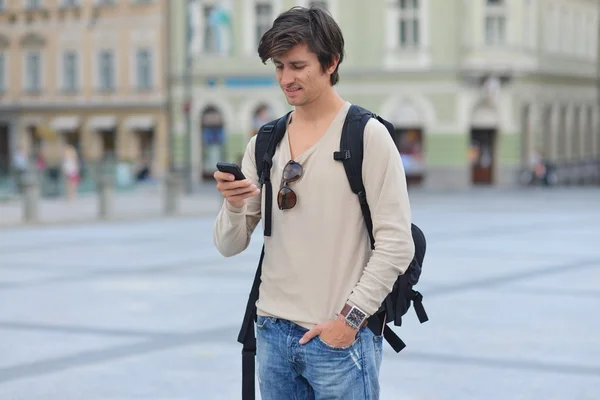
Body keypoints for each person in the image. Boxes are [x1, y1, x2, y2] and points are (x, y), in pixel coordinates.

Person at [213, 6, 414, 400]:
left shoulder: (367, 136)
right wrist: (234, 205)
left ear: (331, 62)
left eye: (298, 66)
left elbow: (396, 243)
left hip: (339, 339)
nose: (286, 79)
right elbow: (228, 245)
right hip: (272, 332)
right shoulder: (265, 142)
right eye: (279, 67)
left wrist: (348, 322)